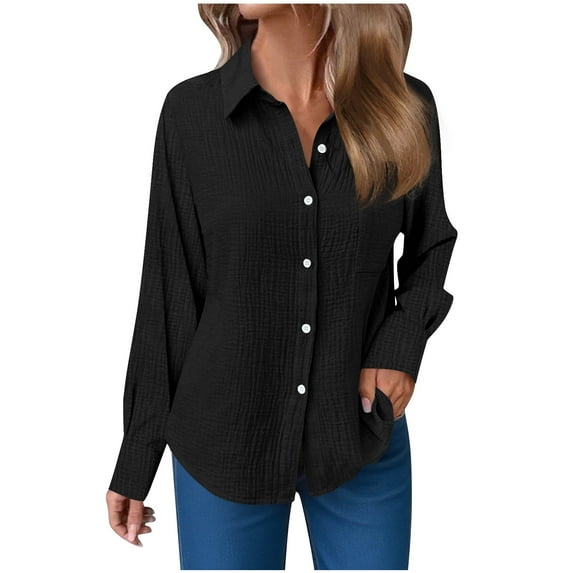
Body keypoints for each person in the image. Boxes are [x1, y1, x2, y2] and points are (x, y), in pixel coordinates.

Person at [105, 4, 458, 570]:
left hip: (359, 434)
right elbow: (169, 293)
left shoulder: (402, 106)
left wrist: (399, 348)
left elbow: (431, 243)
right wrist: (137, 456)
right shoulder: (192, 113)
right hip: (222, 443)